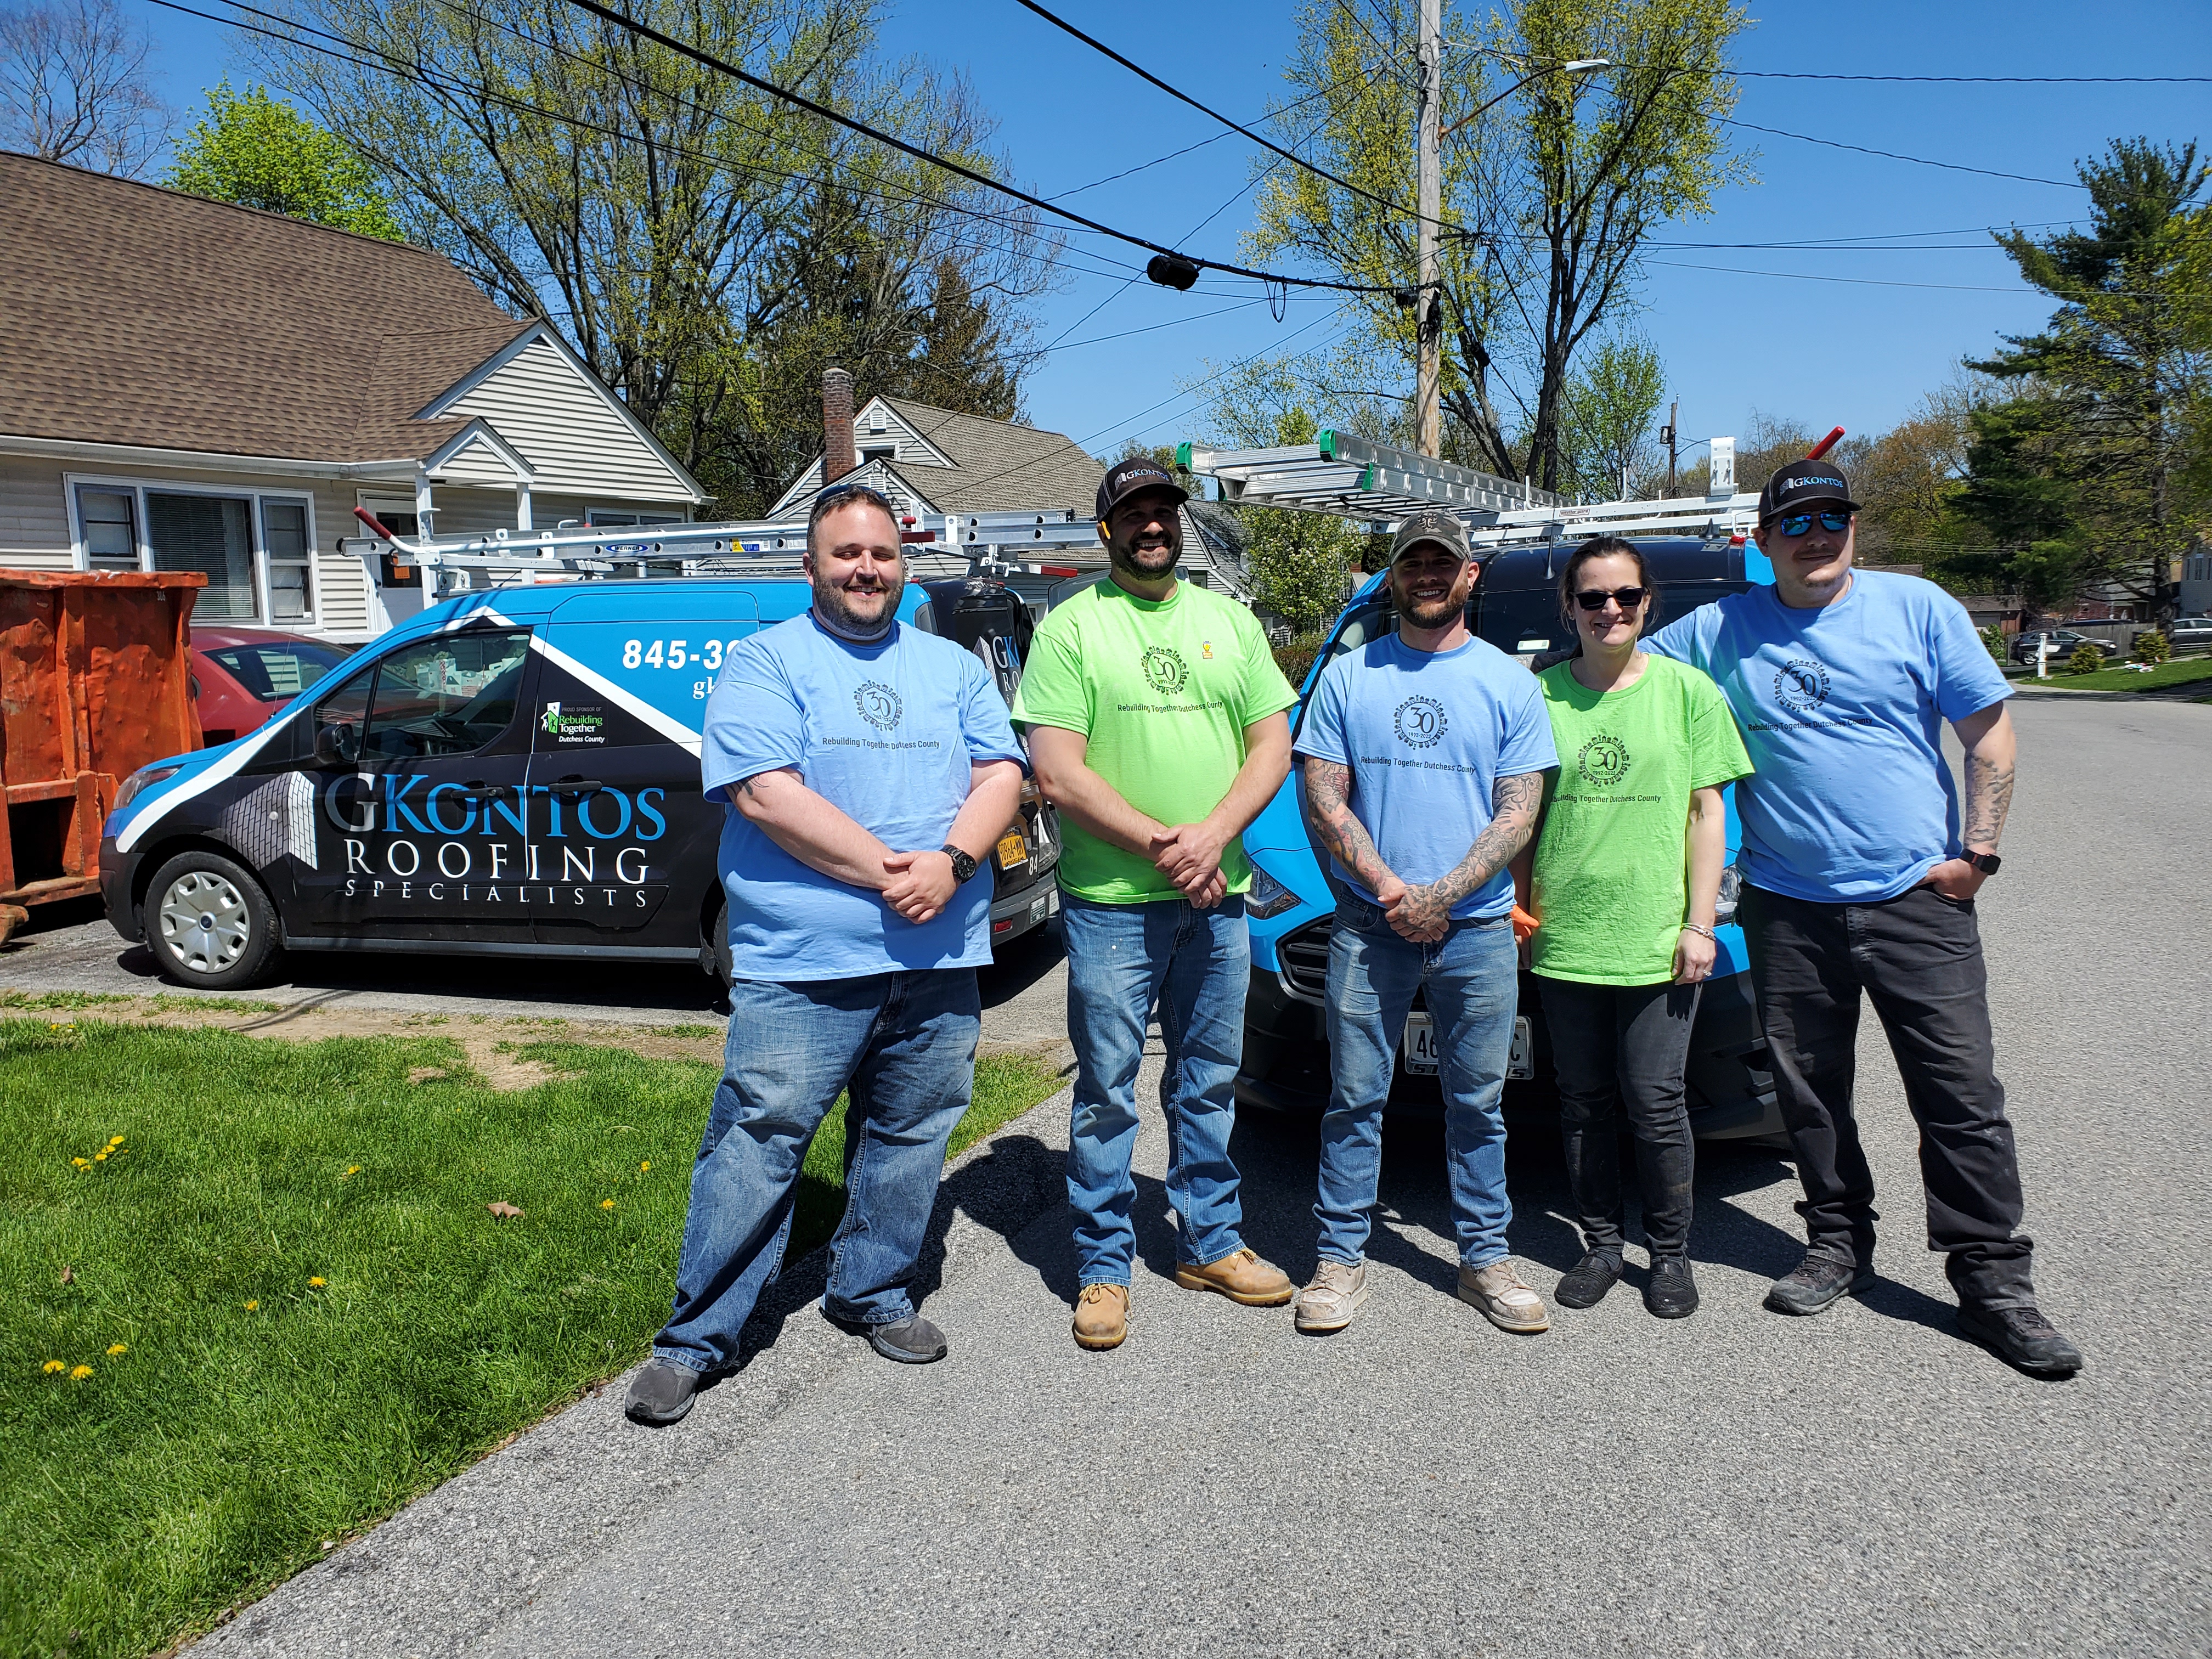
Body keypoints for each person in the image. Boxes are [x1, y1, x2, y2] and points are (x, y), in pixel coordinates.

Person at [1644, 461, 2083, 1376]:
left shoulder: (1918, 609)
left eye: (1832, 516)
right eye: (1795, 521)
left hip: (1917, 900)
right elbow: (1621, 665)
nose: (1817, 534)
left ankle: (1993, 1279)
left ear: (1853, 528)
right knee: (1809, 1092)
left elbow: (1989, 729)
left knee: (1959, 1094)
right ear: (1762, 543)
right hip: (1787, 904)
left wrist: (1979, 855)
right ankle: (1839, 1241)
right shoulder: (1720, 628)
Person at [625, 483, 1028, 1425]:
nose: (866, 569)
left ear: (904, 563)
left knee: (910, 1133)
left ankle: (871, 1290)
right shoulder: (764, 662)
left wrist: (956, 862)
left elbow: (1001, 771)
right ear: (810, 566)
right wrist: (901, 874)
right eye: (846, 553)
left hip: (936, 957)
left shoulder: (952, 667)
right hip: (803, 960)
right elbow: (763, 792)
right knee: (759, 1141)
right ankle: (697, 1338)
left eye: (882, 554)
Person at [1013, 456, 1298, 1352]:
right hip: (1111, 905)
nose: (1152, 526)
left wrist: (1211, 838)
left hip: (1218, 899)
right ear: (1107, 529)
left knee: (1208, 1080)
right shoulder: (1070, 630)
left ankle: (1209, 1241)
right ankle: (1103, 1267)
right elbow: (1057, 771)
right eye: (1133, 513)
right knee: (1106, 1091)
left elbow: (1271, 747)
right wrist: (1171, 848)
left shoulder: (1230, 621)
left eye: (1163, 512)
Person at [1291, 510, 1558, 1337]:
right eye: (1414, 564)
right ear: (1395, 577)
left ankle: (1485, 1261)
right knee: (1354, 1097)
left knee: (1478, 1103)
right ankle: (1339, 1261)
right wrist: (1384, 887)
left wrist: (1442, 894)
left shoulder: (1511, 683)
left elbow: (1520, 813)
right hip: (1371, 926)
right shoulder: (1349, 676)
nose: (1429, 576)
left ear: (1470, 576)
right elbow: (1322, 794)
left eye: (1444, 564)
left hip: (1477, 929)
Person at [1511, 536, 1751, 1320]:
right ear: (1568, 607)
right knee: (1580, 1102)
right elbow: (1517, 814)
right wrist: (1518, 903)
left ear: (1648, 604)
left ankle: (1671, 1254)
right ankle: (1603, 1246)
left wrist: (1699, 923)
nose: (1608, 610)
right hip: (1566, 934)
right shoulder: (1538, 698)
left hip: (1657, 936)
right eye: (1592, 597)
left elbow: (1708, 814)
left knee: (1656, 1103)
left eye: (1625, 597)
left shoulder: (1690, 694)